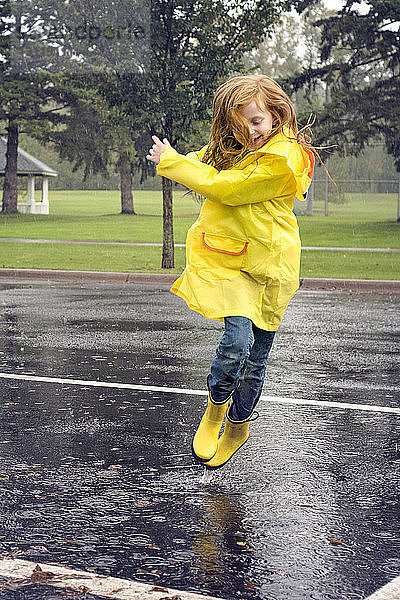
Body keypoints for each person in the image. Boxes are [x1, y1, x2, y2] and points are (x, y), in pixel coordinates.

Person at [146, 74, 315, 470]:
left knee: (257, 359)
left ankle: (239, 426)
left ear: (276, 114)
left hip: (273, 267)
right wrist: (177, 157)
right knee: (237, 341)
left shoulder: (284, 159)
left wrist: (171, 164)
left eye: (257, 122)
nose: (250, 133)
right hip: (234, 263)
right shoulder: (235, 146)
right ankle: (215, 410)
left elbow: (228, 188)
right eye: (240, 125)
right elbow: (207, 167)